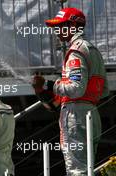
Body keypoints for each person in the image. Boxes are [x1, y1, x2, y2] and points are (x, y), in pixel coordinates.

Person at [32, 7, 109, 175]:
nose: (56, 31)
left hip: (76, 116)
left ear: (72, 26)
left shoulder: (75, 51)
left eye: (60, 26)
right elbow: (103, 91)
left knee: (76, 169)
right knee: (87, 167)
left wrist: (48, 85)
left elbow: (76, 89)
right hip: (91, 114)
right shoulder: (93, 51)